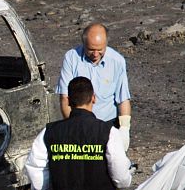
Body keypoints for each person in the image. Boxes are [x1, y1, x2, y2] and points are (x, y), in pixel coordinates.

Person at [56, 23, 131, 151]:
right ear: (83, 44)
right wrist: (73, 127)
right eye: (91, 49)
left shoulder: (117, 61)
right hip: (79, 123)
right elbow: (65, 98)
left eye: (100, 49)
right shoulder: (71, 58)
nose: (95, 54)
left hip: (107, 124)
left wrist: (124, 129)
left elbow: (123, 98)